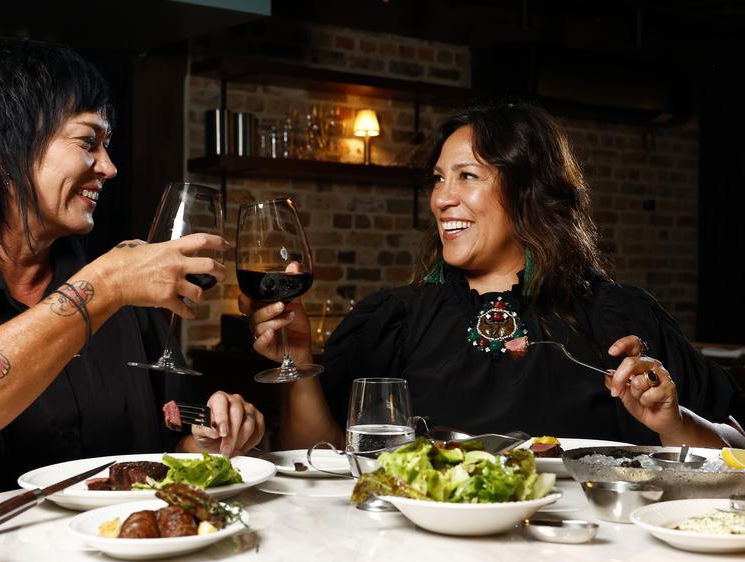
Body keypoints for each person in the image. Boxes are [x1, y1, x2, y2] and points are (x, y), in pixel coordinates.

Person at [0, 40, 263, 531]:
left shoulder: (123, 297)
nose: (109, 166)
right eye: (87, 141)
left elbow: (161, 451)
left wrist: (201, 444)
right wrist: (103, 285)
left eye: (108, 144)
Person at [244, 101, 744, 451]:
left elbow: (735, 451)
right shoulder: (394, 320)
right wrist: (299, 362)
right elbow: (319, 464)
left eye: (467, 176)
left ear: (528, 191)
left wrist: (674, 422)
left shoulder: (619, 318)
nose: (441, 198)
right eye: (439, 179)